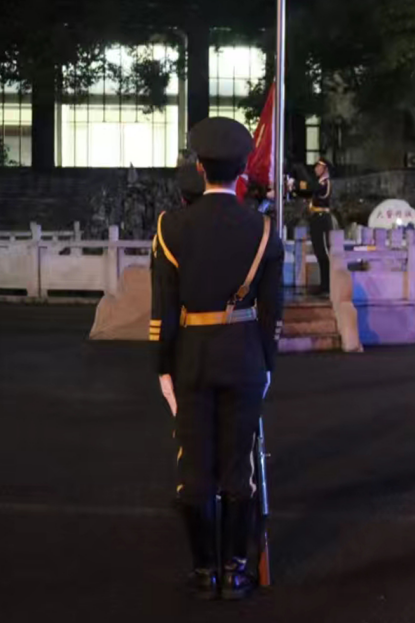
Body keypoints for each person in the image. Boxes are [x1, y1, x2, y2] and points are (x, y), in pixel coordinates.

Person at [151, 117, 285, 600]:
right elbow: (271, 311)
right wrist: (266, 364)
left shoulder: (171, 228)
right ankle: (235, 570)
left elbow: (164, 310)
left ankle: (204, 571)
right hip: (245, 357)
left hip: (191, 358)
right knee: (238, 466)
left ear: (201, 167)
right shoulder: (263, 230)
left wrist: (163, 367)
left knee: (194, 466)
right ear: (243, 170)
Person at [294, 159, 335, 296]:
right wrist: (295, 187)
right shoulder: (319, 183)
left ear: (325, 169)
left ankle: (327, 286)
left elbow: (312, 188)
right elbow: (308, 191)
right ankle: (324, 285)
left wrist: (297, 184)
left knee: (324, 253)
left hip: (322, 219)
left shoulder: (325, 183)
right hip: (316, 219)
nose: (316, 169)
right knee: (318, 252)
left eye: (319, 166)